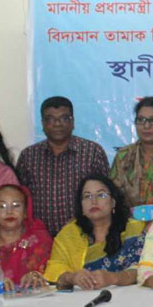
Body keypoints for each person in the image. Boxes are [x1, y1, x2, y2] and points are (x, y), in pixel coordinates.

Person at [16, 96, 109, 237]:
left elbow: (107, 195)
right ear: (42, 124)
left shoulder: (92, 152)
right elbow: (20, 198)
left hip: (85, 237)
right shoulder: (28, 156)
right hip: (40, 240)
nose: (57, 124)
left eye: (64, 118)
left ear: (72, 122)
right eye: (50, 119)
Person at [44, 175, 146, 290]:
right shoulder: (68, 235)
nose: (93, 201)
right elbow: (54, 270)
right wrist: (72, 277)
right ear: (81, 206)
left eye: (101, 195)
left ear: (113, 202)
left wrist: (113, 278)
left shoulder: (133, 229)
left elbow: (146, 267)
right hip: (80, 298)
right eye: (87, 196)